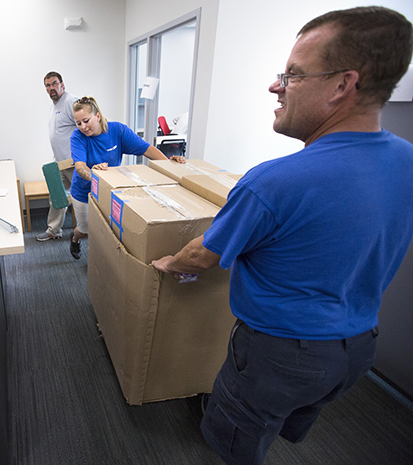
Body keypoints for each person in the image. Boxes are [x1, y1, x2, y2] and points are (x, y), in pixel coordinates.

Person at [151, 6, 413, 465]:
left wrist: (166, 263)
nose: (276, 86)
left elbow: (202, 255)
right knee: (284, 418)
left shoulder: (273, 182)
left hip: (279, 354)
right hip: (357, 349)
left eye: (292, 75)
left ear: (341, 85)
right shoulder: (407, 162)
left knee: (236, 438)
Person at [68, 96, 184, 259]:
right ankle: (74, 239)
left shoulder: (117, 131)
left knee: (108, 228)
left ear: (98, 116)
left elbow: (146, 149)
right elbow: (80, 167)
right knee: (85, 230)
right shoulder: (77, 137)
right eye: (78, 123)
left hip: (110, 190)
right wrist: (96, 175)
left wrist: (169, 164)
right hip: (83, 192)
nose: (83, 127)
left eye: (86, 121)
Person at [37, 71, 78, 242]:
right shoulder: (55, 106)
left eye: (54, 83)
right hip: (60, 162)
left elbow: (85, 129)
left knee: (82, 199)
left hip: (74, 162)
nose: (51, 88)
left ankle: (90, 231)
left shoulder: (71, 102)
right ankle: (54, 230)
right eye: (48, 85)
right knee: (56, 197)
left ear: (62, 84)